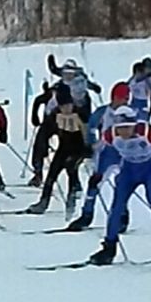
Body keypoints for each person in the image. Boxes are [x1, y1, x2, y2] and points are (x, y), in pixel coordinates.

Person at [88, 107, 151, 265]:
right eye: (120, 128)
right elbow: (103, 154)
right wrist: (98, 175)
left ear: (134, 125)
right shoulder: (111, 134)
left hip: (150, 169)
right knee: (117, 207)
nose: (124, 132)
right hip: (128, 170)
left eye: (127, 127)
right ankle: (109, 248)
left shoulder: (147, 131)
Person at [66, 82, 131, 231]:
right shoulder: (103, 111)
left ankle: (122, 216)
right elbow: (91, 127)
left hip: (124, 154)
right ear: (114, 97)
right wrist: (90, 144)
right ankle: (86, 215)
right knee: (94, 183)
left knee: (123, 185)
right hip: (106, 153)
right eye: (122, 98)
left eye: (127, 98)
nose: (125, 102)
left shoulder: (129, 113)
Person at [25, 85, 87, 215]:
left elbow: (88, 133)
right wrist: (43, 146)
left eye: (68, 105)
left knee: (71, 169)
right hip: (63, 148)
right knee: (51, 175)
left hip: (79, 149)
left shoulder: (80, 114)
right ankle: (43, 202)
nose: (66, 109)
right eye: (63, 106)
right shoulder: (55, 115)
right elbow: (45, 132)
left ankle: (71, 203)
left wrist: (89, 150)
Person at [46, 55, 102, 121]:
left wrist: (95, 88)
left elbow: (89, 86)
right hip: (62, 109)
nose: (67, 76)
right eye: (65, 73)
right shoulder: (61, 84)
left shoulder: (80, 82)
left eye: (70, 73)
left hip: (79, 109)